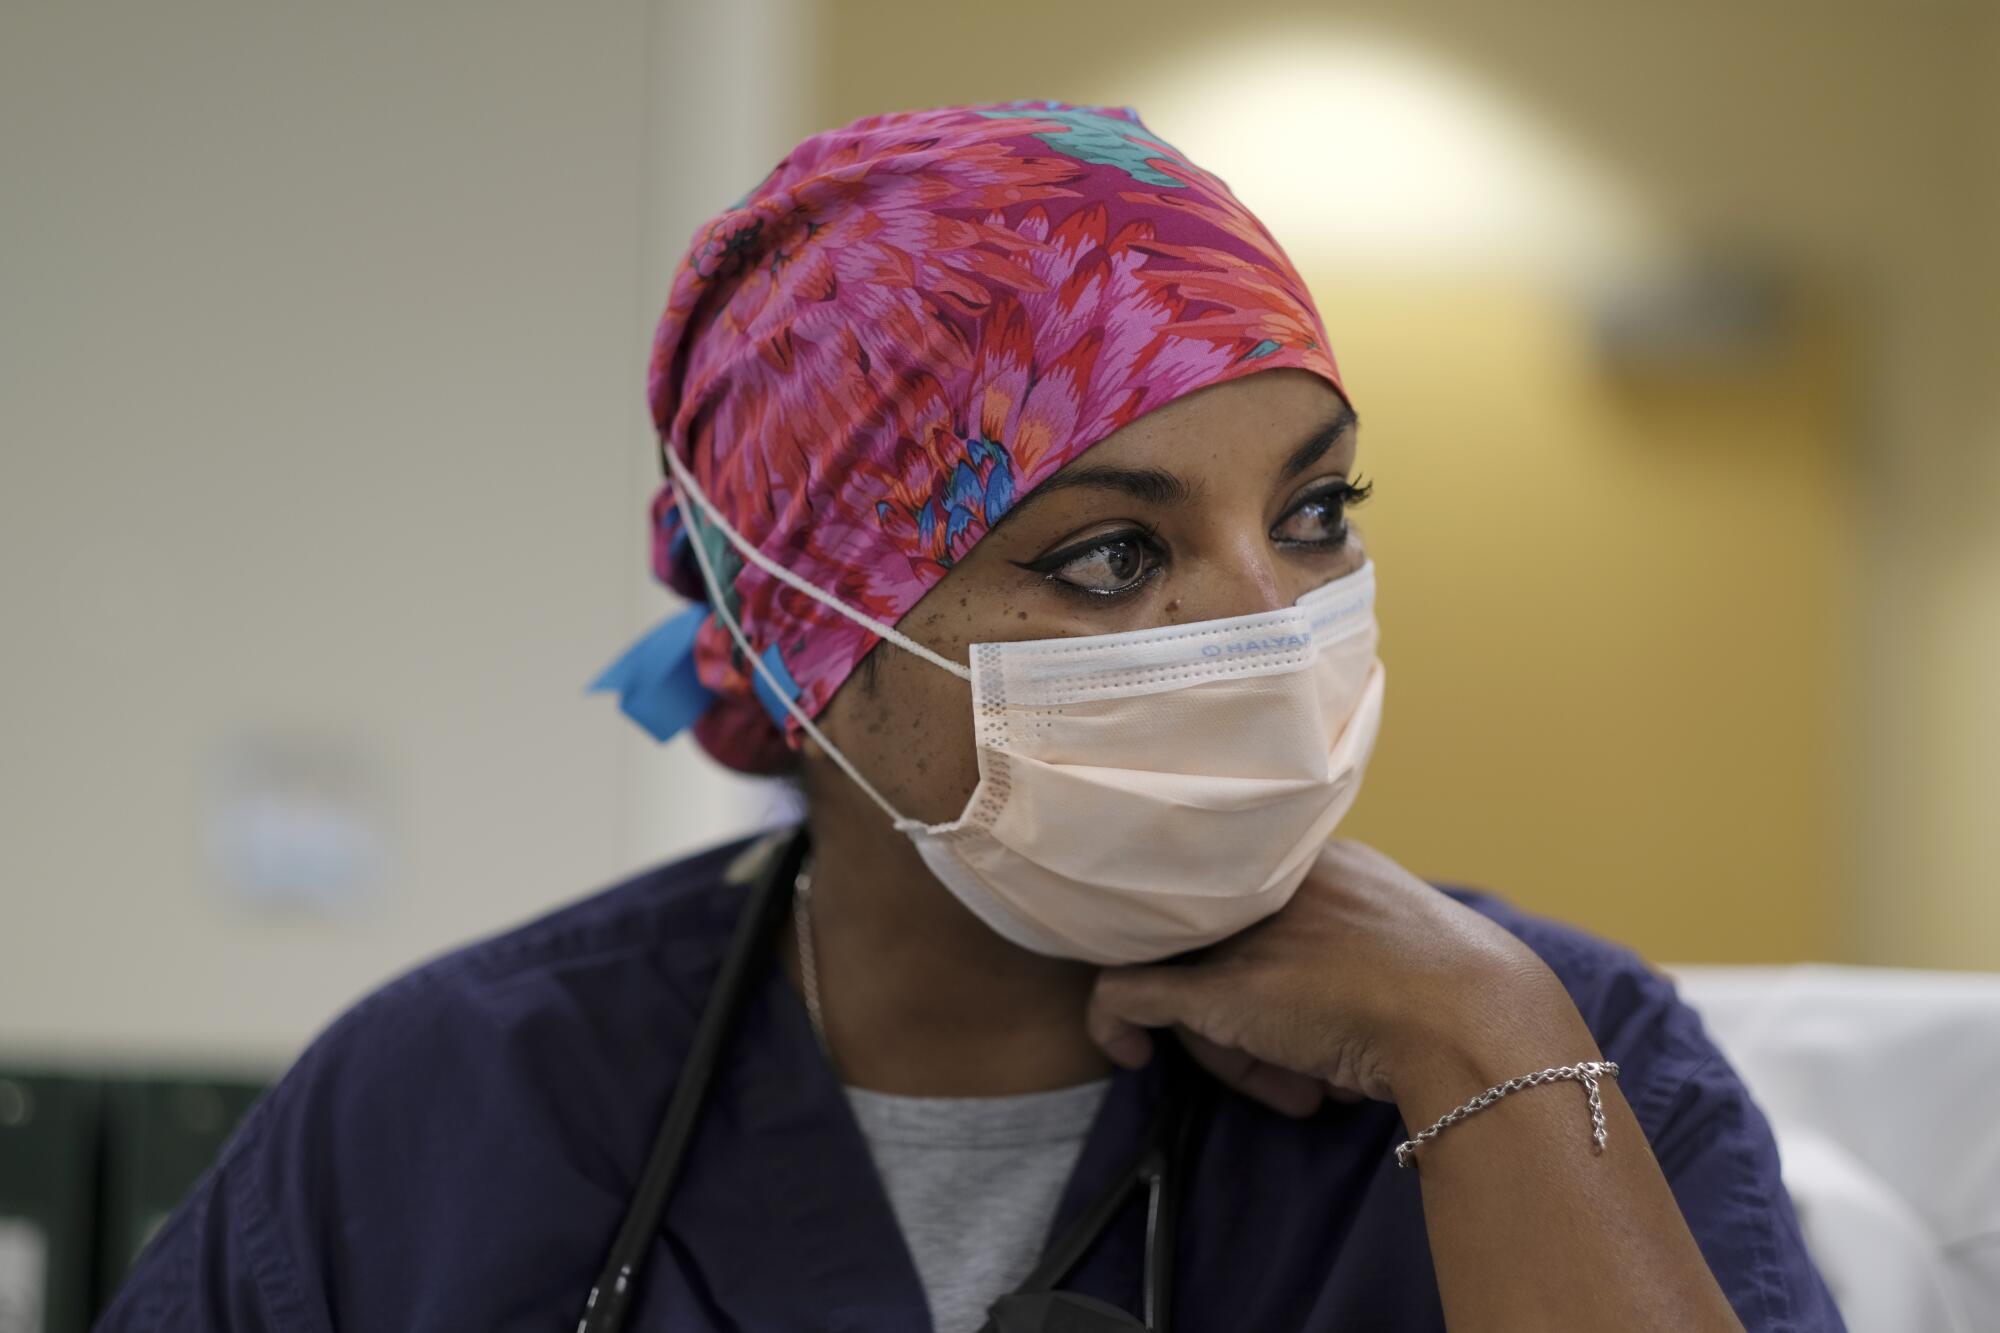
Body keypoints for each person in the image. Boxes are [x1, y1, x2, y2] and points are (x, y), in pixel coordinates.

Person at [98, 101, 1844, 1332]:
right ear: (806, 642)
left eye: (1314, 512)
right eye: (1107, 555)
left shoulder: (1564, 1057)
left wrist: (1486, 1057)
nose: (1267, 622)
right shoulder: (442, 1113)